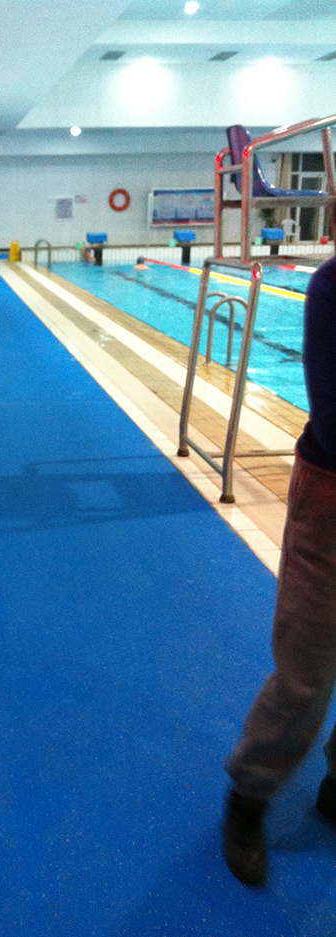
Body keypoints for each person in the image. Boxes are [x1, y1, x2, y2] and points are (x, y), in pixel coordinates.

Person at [223, 246, 336, 887]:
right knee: (307, 671)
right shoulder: (330, 289)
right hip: (330, 500)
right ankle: (249, 795)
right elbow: (335, 421)